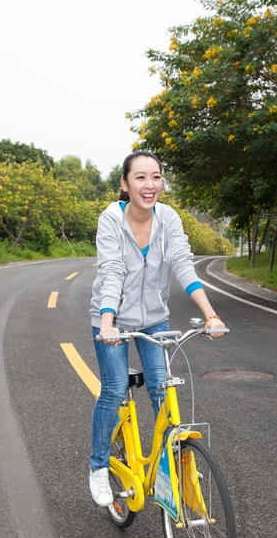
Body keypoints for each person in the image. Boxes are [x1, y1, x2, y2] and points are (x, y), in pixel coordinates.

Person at [89, 151, 225, 506]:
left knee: (163, 391)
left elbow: (183, 264)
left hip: (153, 320)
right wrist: (107, 322)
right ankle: (99, 467)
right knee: (116, 388)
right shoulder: (110, 220)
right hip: (113, 320)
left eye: (156, 177)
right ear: (125, 183)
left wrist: (210, 314)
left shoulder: (168, 219)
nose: (149, 185)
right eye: (140, 178)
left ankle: (171, 469)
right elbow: (112, 271)